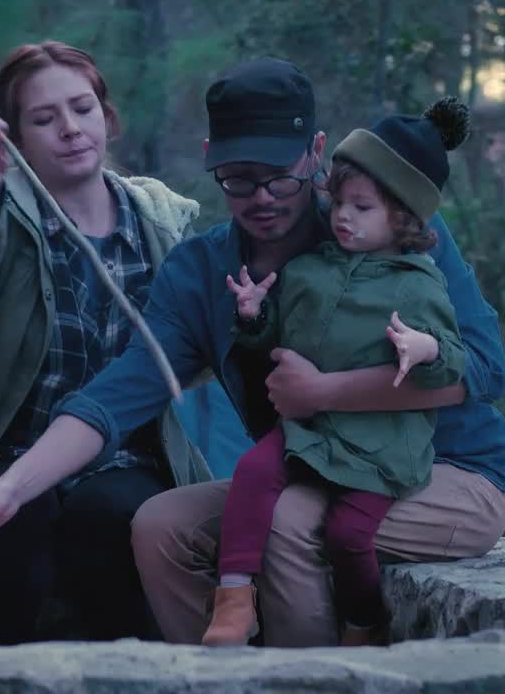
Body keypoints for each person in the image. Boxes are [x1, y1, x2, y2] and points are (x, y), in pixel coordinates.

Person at [0, 58, 505, 648]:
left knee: (288, 524)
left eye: (279, 176)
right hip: (313, 472)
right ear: (212, 159)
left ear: (315, 153)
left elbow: (487, 370)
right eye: (238, 177)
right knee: (160, 525)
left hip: (445, 473)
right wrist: (11, 486)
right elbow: (116, 397)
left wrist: (324, 392)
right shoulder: (204, 273)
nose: (261, 197)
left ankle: (306, 680)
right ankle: (220, 676)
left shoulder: (394, 228)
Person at [0, 40, 214, 645]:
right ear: (16, 139)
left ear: (106, 117)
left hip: (128, 452)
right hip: (12, 444)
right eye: (43, 119)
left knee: (110, 515)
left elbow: (185, 351)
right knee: (16, 519)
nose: (69, 128)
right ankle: (2, 674)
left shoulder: (158, 217)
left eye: (82, 108)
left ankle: (117, 673)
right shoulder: (7, 212)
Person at [201, 99, 471, 647]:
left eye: (363, 207)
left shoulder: (418, 284)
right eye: (340, 202)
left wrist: (423, 347)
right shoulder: (306, 270)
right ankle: (233, 602)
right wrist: (252, 316)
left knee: (349, 534)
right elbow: (271, 339)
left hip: (380, 446)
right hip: (311, 434)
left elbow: (453, 357)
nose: (343, 216)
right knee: (253, 471)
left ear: (402, 217)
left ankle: (364, 621)